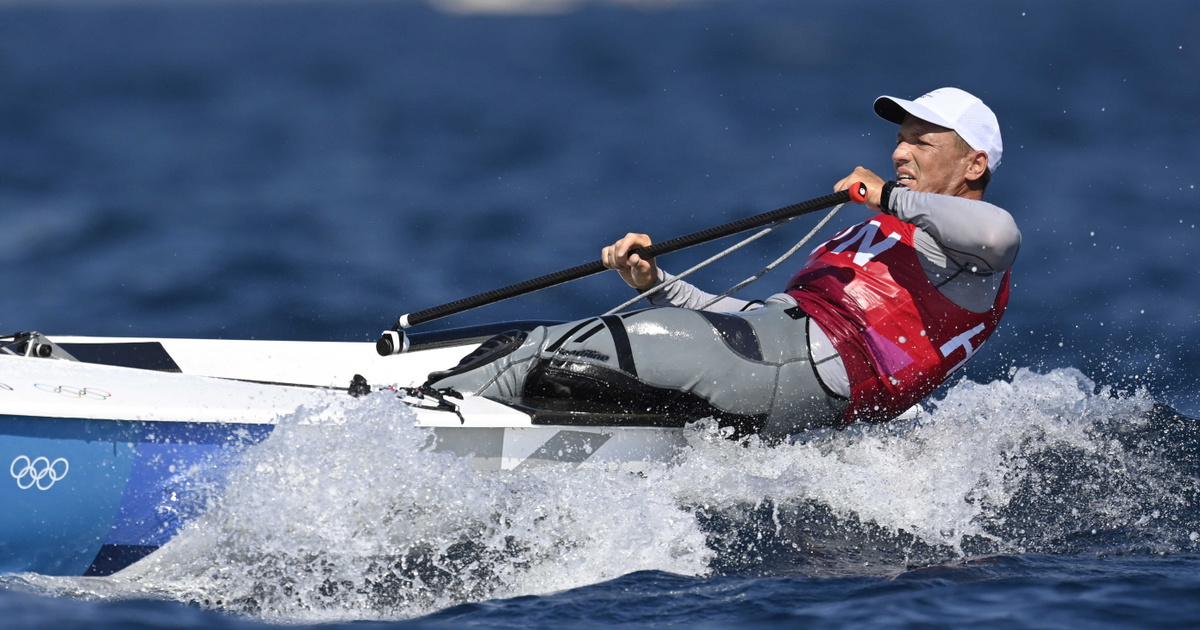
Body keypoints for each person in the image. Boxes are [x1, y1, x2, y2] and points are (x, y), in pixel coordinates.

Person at [426, 87, 1020, 438]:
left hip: (794, 379)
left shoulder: (971, 259)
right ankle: (454, 400)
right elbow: (754, 329)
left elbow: (1000, 231)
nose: (898, 151)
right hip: (772, 367)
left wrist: (887, 196)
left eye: (922, 141)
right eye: (901, 137)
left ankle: (404, 426)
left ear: (973, 166)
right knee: (540, 356)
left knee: (553, 355)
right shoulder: (885, 229)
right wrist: (658, 284)